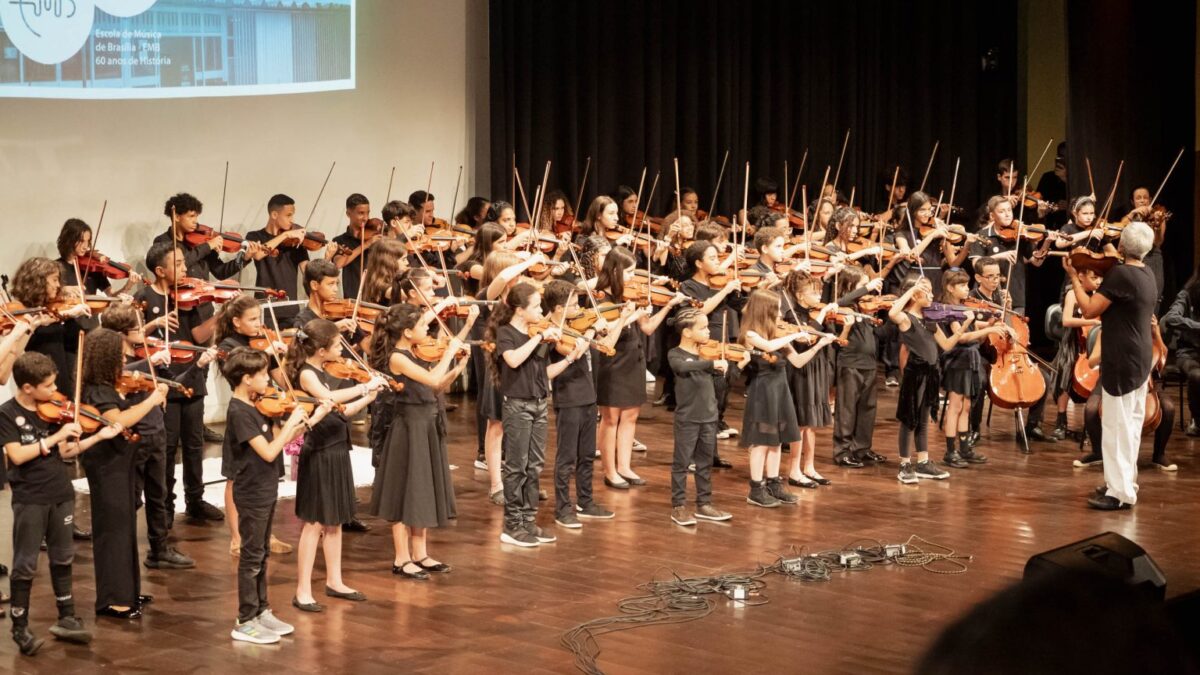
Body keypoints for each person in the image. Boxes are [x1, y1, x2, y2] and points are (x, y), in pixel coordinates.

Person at [0, 352, 121, 655]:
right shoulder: (6, 414)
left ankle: (66, 617)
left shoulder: (53, 412)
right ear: (28, 387)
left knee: (63, 556)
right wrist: (53, 441)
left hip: (60, 493)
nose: (55, 391)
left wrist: (98, 437)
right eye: (48, 386)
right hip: (30, 497)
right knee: (26, 563)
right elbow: (16, 456)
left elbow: (67, 452)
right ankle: (20, 627)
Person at [221, 347, 330, 644]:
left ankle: (262, 610)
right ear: (246, 379)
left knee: (263, 552)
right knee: (251, 555)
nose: (268, 380)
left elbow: (279, 440)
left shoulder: (257, 406)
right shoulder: (238, 412)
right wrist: (293, 423)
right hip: (252, 490)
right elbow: (270, 451)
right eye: (262, 375)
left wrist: (312, 419)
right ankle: (245, 619)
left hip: (266, 486)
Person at [286, 319, 384, 609]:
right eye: (337, 344)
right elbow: (327, 398)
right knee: (314, 523)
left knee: (335, 521)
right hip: (318, 453)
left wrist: (370, 395)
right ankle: (303, 590)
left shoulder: (328, 371)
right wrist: (363, 385)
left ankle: (335, 580)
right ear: (320, 350)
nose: (342, 348)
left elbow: (343, 410)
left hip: (337, 449)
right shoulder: (307, 374)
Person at [369, 304, 471, 578]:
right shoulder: (398, 358)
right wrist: (449, 351)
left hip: (427, 423)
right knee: (405, 490)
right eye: (423, 326)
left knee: (422, 489)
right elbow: (431, 377)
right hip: (409, 427)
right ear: (406, 332)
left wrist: (459, 364)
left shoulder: (415, 353)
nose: (428, 329)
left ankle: (420, 553)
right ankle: (401, 559)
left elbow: (437, 385)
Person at [102, 302, 203, 570]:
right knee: (131, 499)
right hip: (133, 436)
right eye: (137, 327)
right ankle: (118, 550)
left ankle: (159, 549)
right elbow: (118, 376)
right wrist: (149, 363)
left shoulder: (146, 352)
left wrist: (197, 365)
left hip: (156, 430)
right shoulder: (111, 359)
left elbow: (173, 382)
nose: (143, 330)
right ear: (122, 332)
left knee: (158, 495)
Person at [1064, 222, 1157, 510]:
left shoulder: (1120, 275)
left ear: (1122, 246)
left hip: (1122, 357)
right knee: (1128, 425)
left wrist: (1074, 278)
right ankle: (1125, 482)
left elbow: (1090, 310)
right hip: (1139, 355)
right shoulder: (1146, 272)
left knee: (1117, 426)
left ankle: (1120, 494)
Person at [133, 242, 226, 523]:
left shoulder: (190, 296)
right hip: (161, 382)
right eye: (179, 264)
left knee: (195, 443)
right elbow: (131, 337)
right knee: (168, 446)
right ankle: (165, 504)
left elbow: (198, 336)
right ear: (160, 270)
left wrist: (222, 313)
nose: (186, 269)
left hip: (192, 373)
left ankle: (195, 499)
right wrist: (154, 323)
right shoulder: (144, 296)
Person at [81, 328, 169, 619]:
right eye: (119, 354)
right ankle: (112, 599)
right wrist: (151, 401)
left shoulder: (107, 386)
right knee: (113, 529)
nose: (125, 357)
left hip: (120, 461)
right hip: (106, 464)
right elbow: (118, 421)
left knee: (126, 526)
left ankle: (128, 590)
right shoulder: (97, 390)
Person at [592, 248, 686, 488]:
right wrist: (629, 317)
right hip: (612, 361)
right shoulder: (600, 297)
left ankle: (625, 466)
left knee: (631, 415)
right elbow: (605, 336)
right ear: (614, 270)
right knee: (611, 417)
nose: (634, 276)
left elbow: (648, 328)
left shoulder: (631, 295)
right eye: (630, 271)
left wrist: (668, 306)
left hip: (633, 358)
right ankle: (610, 470)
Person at [739, 289, 827, 506]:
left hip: (780, 389)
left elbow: (797, 361)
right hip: (762, 391)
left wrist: (819, 345)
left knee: (777, 440)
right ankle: (755, 489)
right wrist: (796, 334)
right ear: (765, 309)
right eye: (777, 308)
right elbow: (767, 347)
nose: (781, 313)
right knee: (761, 441)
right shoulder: (751, 334)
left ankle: (773, 483)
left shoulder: (778, 334)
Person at [541, 280, 616, 529]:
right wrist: (593, 330)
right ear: (559, 309)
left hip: (587, 393)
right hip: (568, 397)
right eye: (573, 304)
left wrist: (600, 329)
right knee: (566, 457)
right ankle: (563, 508)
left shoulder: (576, 324)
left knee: (586, 454)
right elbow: (572, 350)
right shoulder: (548, 331)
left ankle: (586, 501)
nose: (579, 308)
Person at [488, 282, 559, 547]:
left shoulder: (534, 333)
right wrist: (539, 338)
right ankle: (512, 525)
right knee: (516, 466)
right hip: (517, 405)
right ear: (519, 310)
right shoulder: (506, 333)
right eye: (537, 306)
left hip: (540, 403)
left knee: (535, 466)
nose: (541, 310)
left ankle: (529, 521)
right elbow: (514, 360)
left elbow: (540, 370)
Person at [887, 276, 974, 484]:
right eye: (928, 292)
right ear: (916, 295)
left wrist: (966, 324)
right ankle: (905, 464)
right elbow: (892, 312)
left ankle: (923, 461)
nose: (933, 296)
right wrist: (913, 289)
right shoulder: (907, 318)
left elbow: (946, 345)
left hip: (931, 374)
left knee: (924, 419)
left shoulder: (930, 320)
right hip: (914, 373)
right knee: (910, 419)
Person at [668, 308, 746, 525]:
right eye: (703, 328)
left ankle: (704, 503)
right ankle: (679, 506)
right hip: (688, 418)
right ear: (687, 333)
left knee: (705, 464)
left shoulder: (708, 354)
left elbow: (721, 385)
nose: (709, 331)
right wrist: (711, 364)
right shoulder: (676, 354)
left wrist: (737, 366)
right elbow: (682, 367)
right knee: (681, 463)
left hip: (709, 417)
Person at [936, 270, 1004, 467]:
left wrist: (992, 322)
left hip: (970, 358)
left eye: (967, 285)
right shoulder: (951, 310)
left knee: (966, 406)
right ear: (950, 288)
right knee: (955, 406)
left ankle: (964, 448)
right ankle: (950, 451)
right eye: (963, 286)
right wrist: (989, 329)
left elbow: (976, 327)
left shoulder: (962, 307)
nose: (967, 289)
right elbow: (962, 336)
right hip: (957, 360)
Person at [246, 193, 325, 325]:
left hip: (290, 309)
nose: (292, 220)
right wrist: (285, 235)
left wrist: (326, 259)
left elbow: (308, 271)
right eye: (288, 215)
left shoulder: (295, 242)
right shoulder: (255, 235)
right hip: (265, 308)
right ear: (274, 215)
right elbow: (258, 254)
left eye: (292, 215)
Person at [1163, 268, 1200, 436]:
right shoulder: (1187, 294)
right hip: (1189, 352)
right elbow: (1171, 318)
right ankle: (1197, 420)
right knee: (1197, 376)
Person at [331, 193, 379, 300]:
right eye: (361, 213)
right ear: (348, 213)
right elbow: (338, 263)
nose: (366, 218)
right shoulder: (340, 240)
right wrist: (366, 245)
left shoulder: (374, 235)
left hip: (376, 295)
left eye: (368, 213)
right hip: (354, 295)